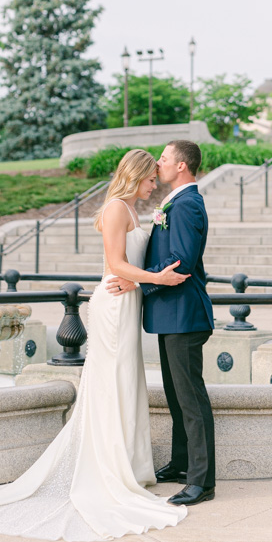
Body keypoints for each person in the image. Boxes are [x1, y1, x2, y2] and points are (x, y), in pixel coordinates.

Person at [0, 149, 188, 541]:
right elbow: (116, 265)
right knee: (113, 382)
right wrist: (158, 279)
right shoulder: (114, 209)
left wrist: (145, 280)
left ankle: (130, 465)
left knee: (128, 381)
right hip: (114, 302)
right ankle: (108, 470)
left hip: (129, 301)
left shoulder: (131, 209)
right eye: (150, 179)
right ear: (136, 175)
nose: (154, 185)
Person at [106, 139, 216, 506]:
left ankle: (202, 481)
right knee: (174, 394)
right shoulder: (173, 203)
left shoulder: (187, 204)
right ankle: (182, 464)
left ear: (181, 166)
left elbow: (181, 262)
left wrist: (137, 280)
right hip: (170, 314)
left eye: (165, 159)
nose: (160, 163)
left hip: (184, 314)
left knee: (190, 399)